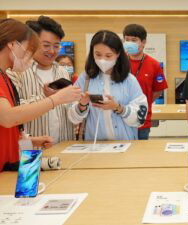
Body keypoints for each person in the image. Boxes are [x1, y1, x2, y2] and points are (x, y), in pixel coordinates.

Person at [0, 18, 81, 172]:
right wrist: (55, 99)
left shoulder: (4, 77)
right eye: (29, 48)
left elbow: (7, 129)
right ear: (12, 44)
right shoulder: (9, 76)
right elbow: (7, 117)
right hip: (8, 166)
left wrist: (30, 140)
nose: (30, 55)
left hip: (15, 160)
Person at [68, 30, 148, 140]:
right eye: (98, 54)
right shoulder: (85, 79)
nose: (102, 60)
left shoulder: (129, 80)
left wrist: (119, 108)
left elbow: (140, 117)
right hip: (93, 146)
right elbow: (72, 117)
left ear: (118, 54)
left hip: (125, 145)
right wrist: (82, 105)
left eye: (108, 55)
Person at [8, 16, 76, 143]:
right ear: (31, 43)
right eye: (46, 45)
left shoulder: (62, 72)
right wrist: (45, 98)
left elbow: (68, 109)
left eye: (56, 46)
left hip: (64, 146)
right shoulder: (17, 72)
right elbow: (11, 113)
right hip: (33, 150)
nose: (51, 51)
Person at [123, 24, 168, 140]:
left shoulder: (154, 64)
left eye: (134, 40)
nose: (129, 43)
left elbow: (158, 90)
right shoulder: (119, 63)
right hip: (120, 118)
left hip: (142, 120)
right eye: (126, 40)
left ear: (143, 42)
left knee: (139, 155)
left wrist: (143, 102)